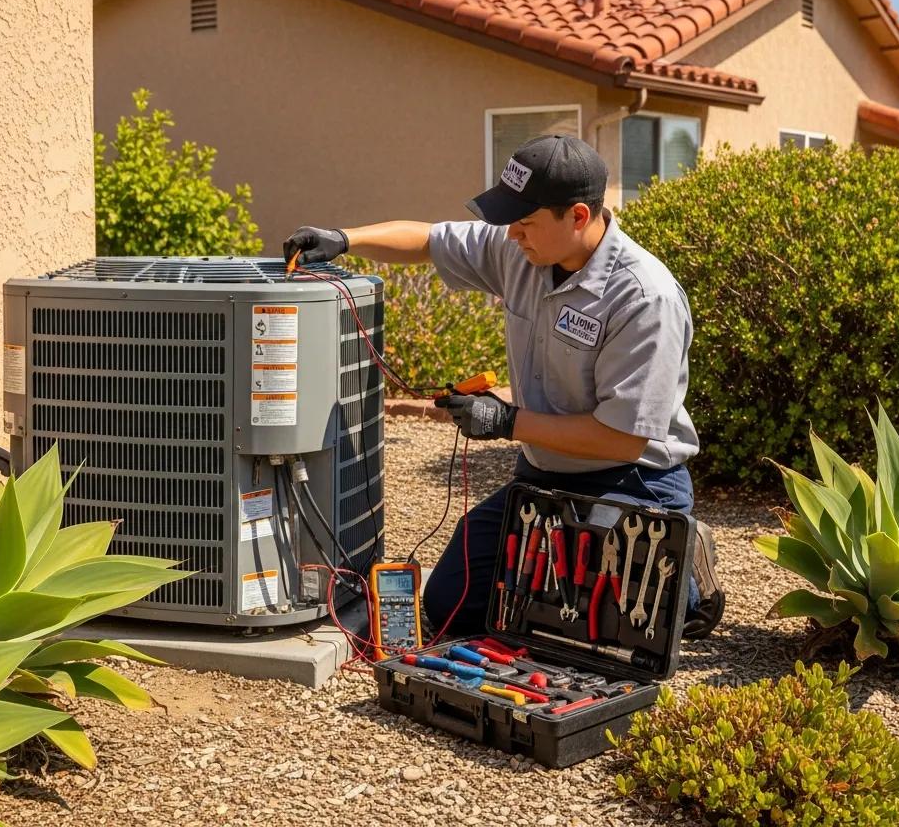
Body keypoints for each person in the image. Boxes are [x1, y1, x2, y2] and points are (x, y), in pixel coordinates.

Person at [282, 134, 724, 639]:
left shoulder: (645, 299)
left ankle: (686, 573)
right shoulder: (524, 248)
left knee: (608, 622)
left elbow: (621, 438)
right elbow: (428, 240)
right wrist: (344, 238)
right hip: (543, 473)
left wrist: (507, 420)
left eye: (525, 221)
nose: (511, 233)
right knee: (454, 605)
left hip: (631, 479)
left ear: (578, 217)